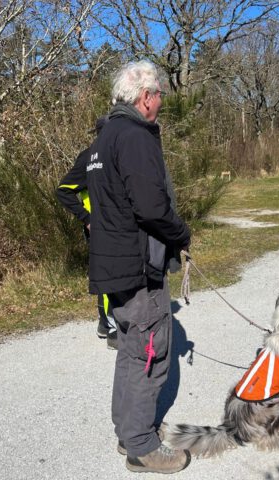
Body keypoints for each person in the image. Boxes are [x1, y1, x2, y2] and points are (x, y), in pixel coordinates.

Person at [86, 60, 191, 474]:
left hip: (114, 267)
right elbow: (151, 207)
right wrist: (182, 234)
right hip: (138, 266)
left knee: (131, 349)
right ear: (146, 97)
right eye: (160, 94)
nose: (162, 101)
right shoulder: (135, 136)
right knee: (150, 352)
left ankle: (129, 430)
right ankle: (141, 446)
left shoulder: (104, 138)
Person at [56, 117, 118, 350]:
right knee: (108, 277)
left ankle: (105, 323)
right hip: (99, 229)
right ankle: (111, 328)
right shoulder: (88, 157)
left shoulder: (113, 154)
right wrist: (87, 218)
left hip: (114, 227)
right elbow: (63, 190)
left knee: (110, 275)